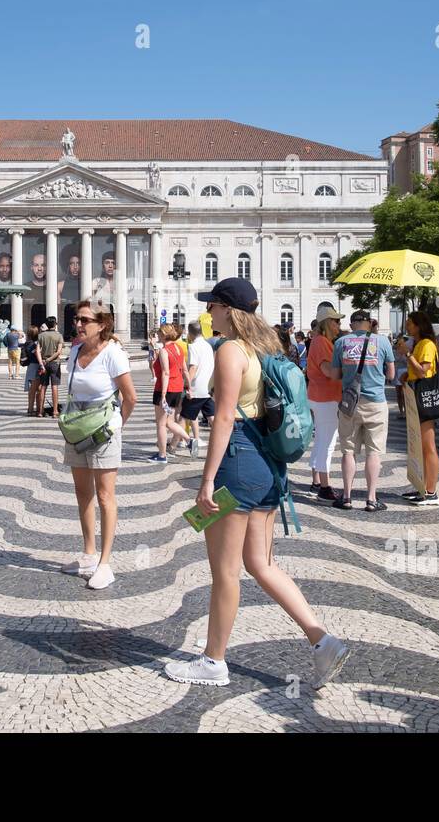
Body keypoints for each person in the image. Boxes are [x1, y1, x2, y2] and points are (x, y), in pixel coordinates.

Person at [164, 277, 350, 688]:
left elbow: (225, 417)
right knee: (261, 564)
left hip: (238, 461)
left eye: (212, 305)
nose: (208, 313)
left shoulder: (231, 351)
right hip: (267, 464)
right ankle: (322, 640)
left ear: (227, 309)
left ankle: (213, 661)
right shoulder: (266, 348)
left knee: (225, 571)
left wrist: (207, 479)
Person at [59, 300, 137, 590]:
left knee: (105, 496)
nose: (78, 324)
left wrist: (117, 426)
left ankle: (105, 564)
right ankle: (89, 554)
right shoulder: (76, 350)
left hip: (104, 431)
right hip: (78, 427)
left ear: (102, 324)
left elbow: (130, 397)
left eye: (85, 320)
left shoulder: (113, 354)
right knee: (83, 494)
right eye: (77, 319)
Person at [326, 311, 395, 511]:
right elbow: (390, 374)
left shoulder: (341, 342)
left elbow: (335, 374)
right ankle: (371, 499)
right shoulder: (382, 342)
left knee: (348, 450)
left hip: (350, 403)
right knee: (374, 452)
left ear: (352, 323)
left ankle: (346, 497)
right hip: (376, 403)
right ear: (370, 323)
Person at [396, 312, 439, 506]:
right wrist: (407, 374)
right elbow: (417, 370)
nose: (407, 326)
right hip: (415, 394)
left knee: (428, 444)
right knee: (421, 445)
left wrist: (406, 354)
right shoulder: (419, 344)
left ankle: (431, 492)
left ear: (418, 325)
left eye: (409, 323)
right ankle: (423, 487)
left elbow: (424, 371)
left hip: (424, 396)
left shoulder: (426, 344)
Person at [306, 307, 344, 501]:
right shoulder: (322, 342)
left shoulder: (321, 341)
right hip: (326, 397)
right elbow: (328, 370)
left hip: (321, 396)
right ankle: (325, 486)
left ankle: (317, 483)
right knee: (327, 443)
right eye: (336, 321)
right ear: (328, 323)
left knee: (322, 439)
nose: (339, 325)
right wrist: (348, 368)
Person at [149, 324, 190, 462]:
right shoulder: (179, 348)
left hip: (165, 388)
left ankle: (162, 455)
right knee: (169, 421)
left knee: (161, 424)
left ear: (164, 334)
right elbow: (184, 370)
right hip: (178, 388)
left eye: (160, 333)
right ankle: (189, 440)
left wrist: (163, 395)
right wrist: (188, 386)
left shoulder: (164, 351)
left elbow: (165, 372)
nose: (158, 335)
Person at [180, 321, 215, 455]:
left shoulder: (193, 346)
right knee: (212, 417)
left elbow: (193, 367)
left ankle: (176, 444)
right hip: (208, 387)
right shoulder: (207, 345)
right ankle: (227, 441)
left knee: (183, 417)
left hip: (196, 388)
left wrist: (186, 384)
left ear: (190, 333)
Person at [36, 317, 64, 417]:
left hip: (43, 363)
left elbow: (38, 351)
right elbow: (59, 351)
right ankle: (55, 411)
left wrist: (41, 363)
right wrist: (49, 359)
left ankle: (40, 411)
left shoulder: (41, 335)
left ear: (46, 325)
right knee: (54, 386)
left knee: (43, 387)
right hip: (55, 363)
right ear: (55, 324)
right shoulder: (59, 336)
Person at [22, 324, 42, 415]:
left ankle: (30, 409)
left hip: (31, 367)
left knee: (32, 390)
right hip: (38, 366)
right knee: (38, 390)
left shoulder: (26, 344)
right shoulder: (37, 344)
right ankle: (38, 409)